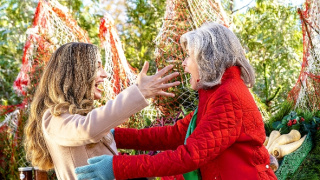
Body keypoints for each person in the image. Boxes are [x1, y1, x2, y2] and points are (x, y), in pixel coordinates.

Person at [75, 23, 278, 180]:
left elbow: (191, 155)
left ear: (207, 59)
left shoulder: (229, 96)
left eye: (188, 56)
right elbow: (176, 133)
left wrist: (118, 167)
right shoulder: (218, 93)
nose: (184, 63)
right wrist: (116, 136)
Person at [24, 42, 180, 180]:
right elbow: (87, 129)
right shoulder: (54, 118)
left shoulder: (78, 117)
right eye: (97, 67)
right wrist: (139, 92)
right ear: (76, 73)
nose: (104, 74)